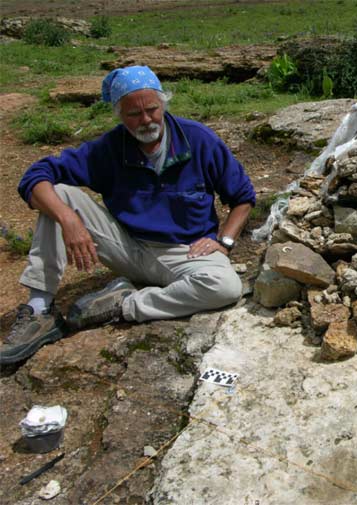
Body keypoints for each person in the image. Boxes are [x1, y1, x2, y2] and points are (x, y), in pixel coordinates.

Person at [0, 65, 255, 365]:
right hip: (126, 246)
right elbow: (35, 177)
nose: (146, 120)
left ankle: (124, 303)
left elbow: (243, 198)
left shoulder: (198, 140)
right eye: (134, 114)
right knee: (59, 194)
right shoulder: (109, 148)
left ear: (163, 104)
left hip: (187, 253)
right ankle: (40, 311)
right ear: (119, 115)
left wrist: (224, 242)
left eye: (152, 109)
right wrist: (69, 219)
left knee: (225, 287)